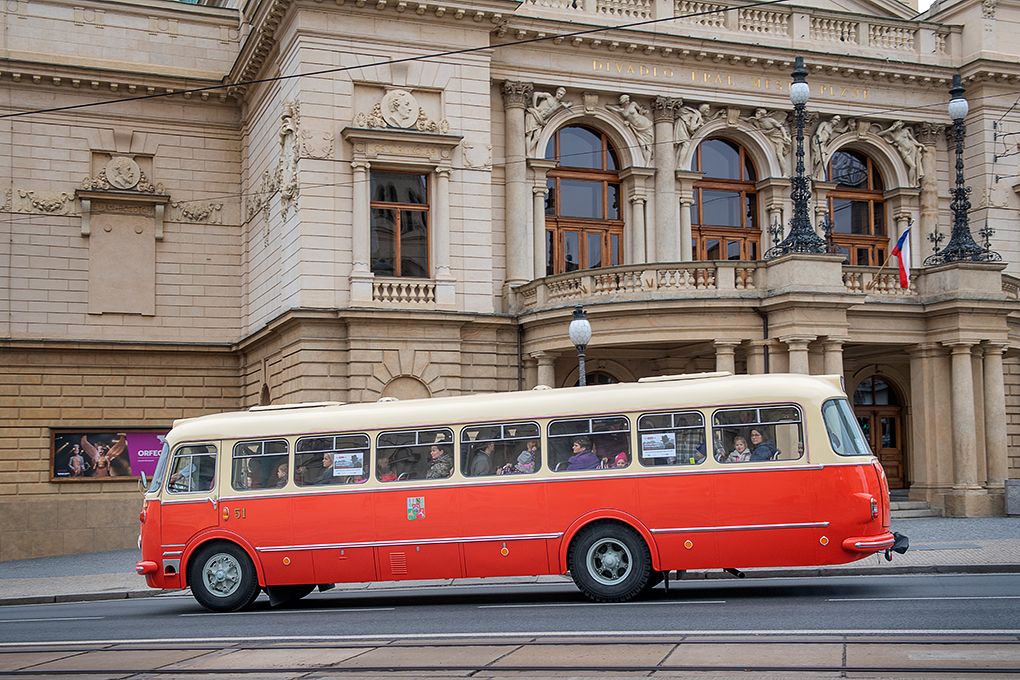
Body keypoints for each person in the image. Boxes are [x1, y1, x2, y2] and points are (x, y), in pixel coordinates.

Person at [525, 87, 573, 156]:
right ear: (556, 92)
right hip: (534, 114)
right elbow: (535, 94)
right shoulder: (549, 96)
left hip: (541, 121)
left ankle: (528, 151)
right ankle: (527, 153)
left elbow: (567, 105)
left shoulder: (558, 105)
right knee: (529, 134)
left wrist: (567, 105)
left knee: (536, 137)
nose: (559, 95)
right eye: (559, 93)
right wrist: (535, 106)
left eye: (561, 94)